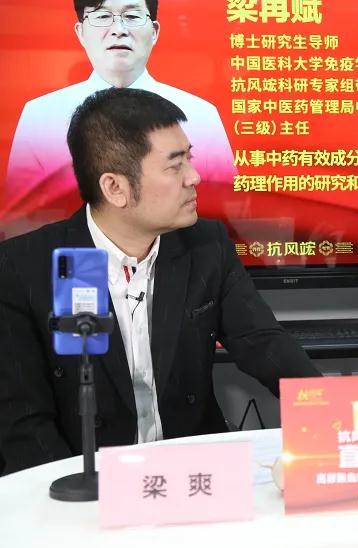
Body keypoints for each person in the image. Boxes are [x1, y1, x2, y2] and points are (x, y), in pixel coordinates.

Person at [0, 88, 320, 475]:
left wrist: (329, 416)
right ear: (115, 188)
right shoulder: (23, 267)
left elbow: (263, 343)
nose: (195, 177)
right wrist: (70, 496)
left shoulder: (207, 246)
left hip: (193, 473)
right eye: (174, 166)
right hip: (84, 481)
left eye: (190, 159)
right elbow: (22, 421)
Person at [3, 0, 235, 211]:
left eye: (132, 16)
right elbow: (21, 216)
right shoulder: (40, 115)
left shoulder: (201, 115)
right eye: (102, 16)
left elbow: (229, 207)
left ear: (154, 32)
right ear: (81, 32)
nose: (118, 29)